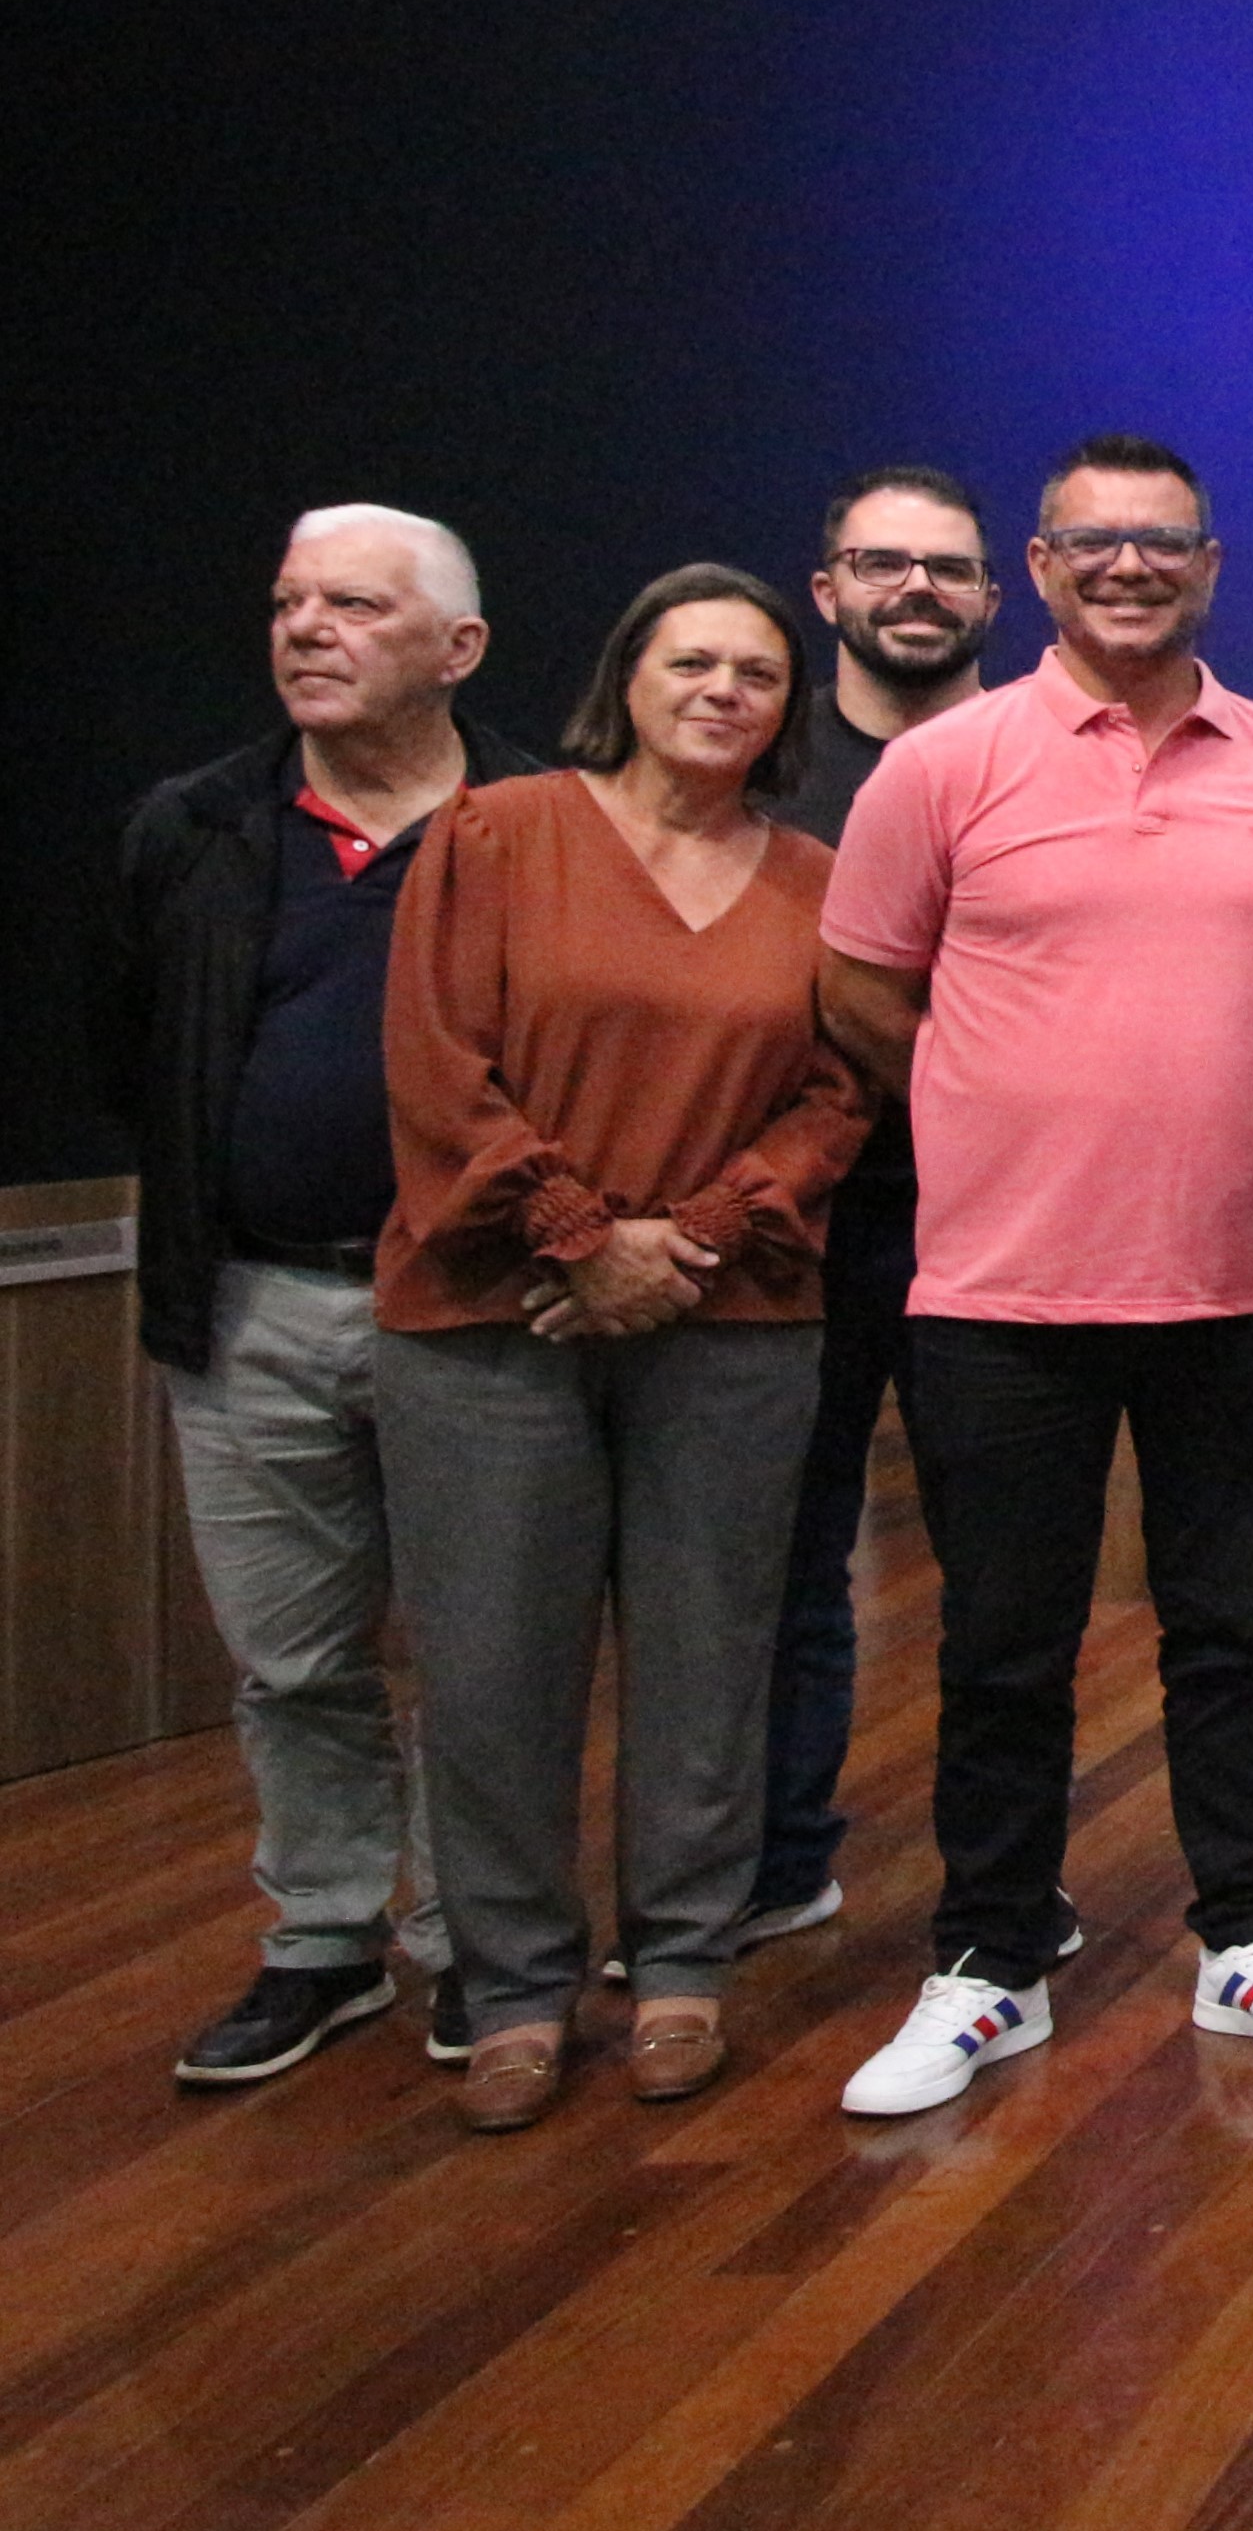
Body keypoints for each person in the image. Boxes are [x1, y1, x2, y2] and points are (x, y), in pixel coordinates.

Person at [818, 434, 1253, 2115]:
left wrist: (1233, 1099)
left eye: (1162, 540)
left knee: (1229, 1636)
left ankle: (1250, 1935)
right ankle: (990, 1959)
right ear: (1043, 568)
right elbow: (859, 993)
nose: (1129, 565)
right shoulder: (939, 767)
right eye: (1093, 540)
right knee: (1003, 1646)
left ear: (1210, 565)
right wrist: (987, 1103)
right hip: (999, 1298)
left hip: (1238, 1287)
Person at [374, 568, 873, 2127]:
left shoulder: (819, 881)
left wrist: (694, 1234)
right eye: (692, 660)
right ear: (628, 676)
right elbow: (437, 1062)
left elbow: (841, 1093)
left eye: (757, 672)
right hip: (494, 1315)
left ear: (788, 709)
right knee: (492, 1667)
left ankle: (681, 1963)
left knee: (713, 1654)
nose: (723, 689)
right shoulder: (496, 833)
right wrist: (579, 1237)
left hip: (732, 1317)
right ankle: (515, 1986)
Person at [101, 504, 537, 2086]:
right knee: (292, 1661)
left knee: (486, 1657)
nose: (306, 628)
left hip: (479, 1311)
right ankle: (325, 1938)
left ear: (458, 648)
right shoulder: (195, 827)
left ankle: (481, 1942)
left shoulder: (541, 825)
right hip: (252, 1308)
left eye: (354, 603)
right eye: (292, 601)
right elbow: (131, 1045)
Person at [739, 464, 1004, 1954]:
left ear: (993, 596)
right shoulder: (756, 772)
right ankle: (777, 1859)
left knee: (1003, 1577)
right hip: (795, 1221)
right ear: (826, 586)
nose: (916, 589)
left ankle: (1006, 1880)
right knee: (784, 1558)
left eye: (947, 568)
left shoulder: (1043, 759)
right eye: (883, 563)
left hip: (995, 1221)